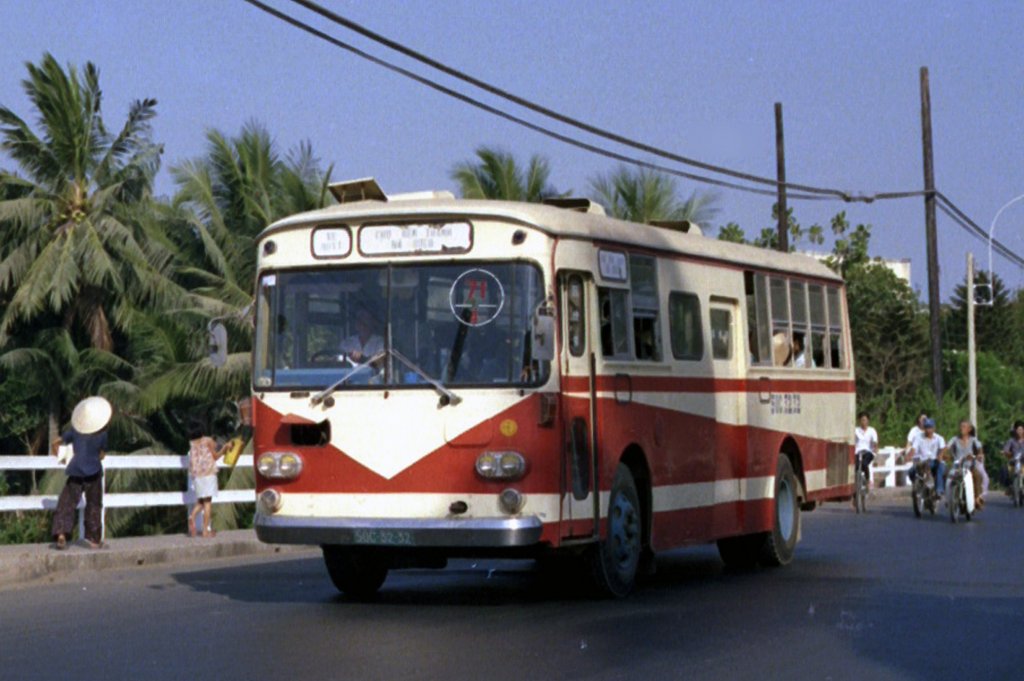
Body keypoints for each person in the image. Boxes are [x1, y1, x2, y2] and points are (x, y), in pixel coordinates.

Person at [50, 397, 112, 550]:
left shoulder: (75, 432)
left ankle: (61, 534)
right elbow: (102, 454)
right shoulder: (102, 435)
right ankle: (94, 540)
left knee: (66, 503)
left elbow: (56, 442)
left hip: (76, 471)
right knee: (94, 505)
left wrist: (59, 456)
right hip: (94, 472)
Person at [187, 421, 228, 538]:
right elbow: (215, 456)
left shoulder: (192, 444)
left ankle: (192, 516)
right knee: (208, 502)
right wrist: (224, 449)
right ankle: (205, 531)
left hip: (197, 475)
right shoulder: (208, 440)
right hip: (209, 473)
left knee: (201, 500)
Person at [944, 419, 985, 509]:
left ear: (969, 429)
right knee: (946, 475)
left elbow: (979, 449)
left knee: (977, 475)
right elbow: (946, 448)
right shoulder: (954, 439)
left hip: (969, 467)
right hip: (957, 467)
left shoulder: (973, 440)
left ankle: (977, 498)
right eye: (960, 426)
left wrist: (979, 455)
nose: (961, 428)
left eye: (964, 427)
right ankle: (948, 498)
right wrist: (943, 455)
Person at [909, 418, 946, 496]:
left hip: (934, 461)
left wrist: (940, 456)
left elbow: (942, 449)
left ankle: (939, 490)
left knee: (941, 467)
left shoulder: (939, 438)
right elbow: (913, 448)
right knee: (911, 471)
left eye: (930, 427)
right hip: (922, 462)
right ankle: (916, 487)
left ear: (934, 428)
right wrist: (908, 456)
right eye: (926, 427)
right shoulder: (918, 438)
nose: (928, 430)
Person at [854, 411, 878, 485]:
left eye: (865, 420)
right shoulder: (856, 430)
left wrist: (875, 451)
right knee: (856, 466)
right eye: (862, 420)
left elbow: (875, 443)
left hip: (868, 452)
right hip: (858, 452)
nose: (863, 422)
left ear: (868, 420)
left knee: (864, 464)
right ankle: (856, 484)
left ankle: (867, 480)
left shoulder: (872, 431)